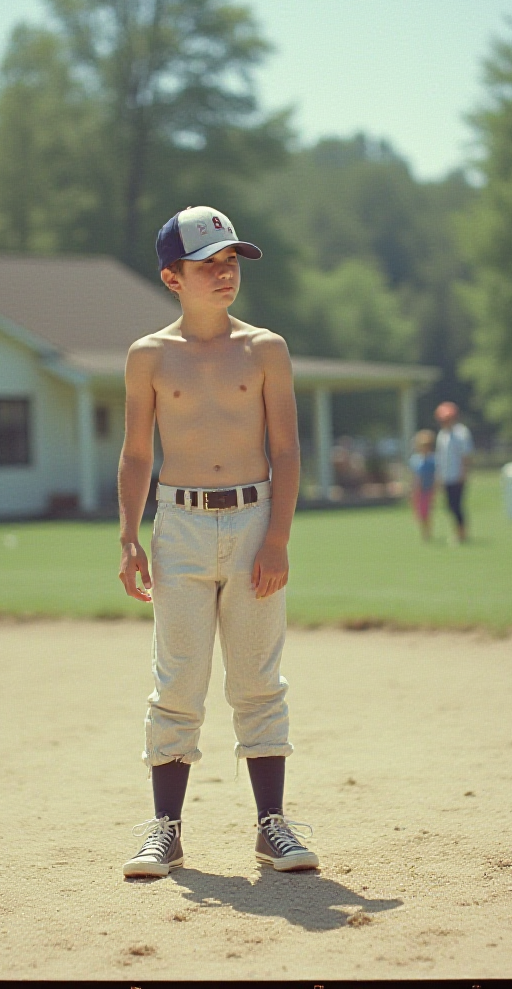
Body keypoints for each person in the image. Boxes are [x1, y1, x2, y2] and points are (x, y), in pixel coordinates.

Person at [117, 205, 318, 879]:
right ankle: (166, 831)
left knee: (259, 679)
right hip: (178, 525)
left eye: (231, 260)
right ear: (173, 277)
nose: (225, 272)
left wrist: (279, 539)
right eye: (209, 264)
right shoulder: (148, 356)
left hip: (255, 518)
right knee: (177, 682)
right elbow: (136, 453)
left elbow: (287, 450)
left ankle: (272, 826)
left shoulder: (265, 348)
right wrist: (128, 536)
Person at [434, 402, 473, 544]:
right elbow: (440, 458)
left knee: (457, 505)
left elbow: (465, 456)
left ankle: (462, 533)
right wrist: (438, 477)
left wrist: (463, 474)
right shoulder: (442, 435)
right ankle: (457, 531)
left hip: (457, 476)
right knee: (449, 505)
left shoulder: (461, 433)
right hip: (446, 476)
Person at [408, 429, 437, 541]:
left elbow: (435, 476)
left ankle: (427, 532)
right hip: (417, 490)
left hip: (427, 490)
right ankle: (423, 532)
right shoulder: (415, 460)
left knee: (426, 512)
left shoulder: (432, 460)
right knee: (419, 512)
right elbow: (413, 476)